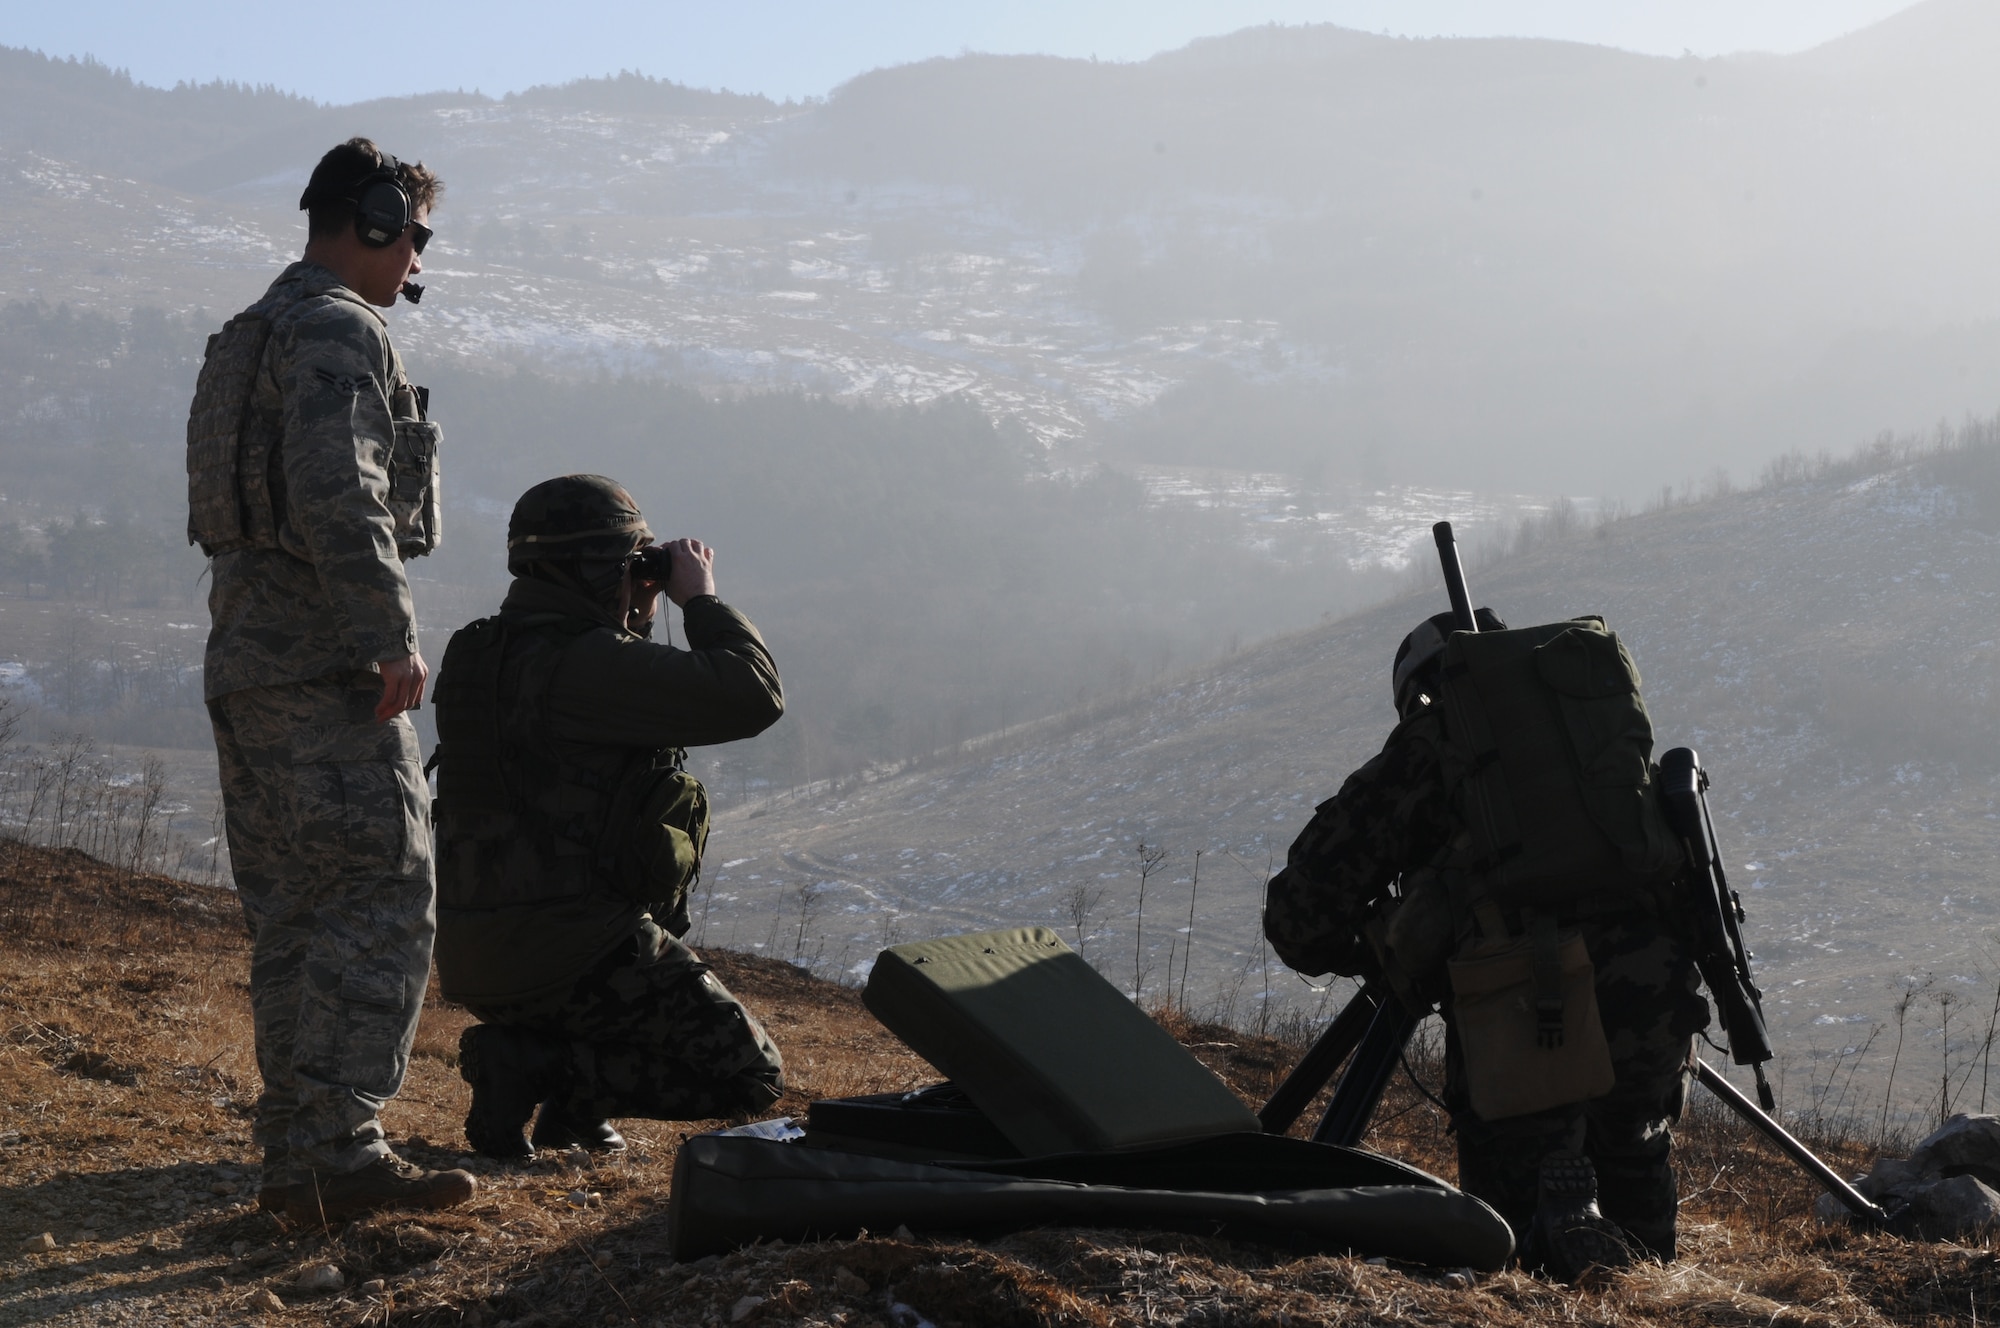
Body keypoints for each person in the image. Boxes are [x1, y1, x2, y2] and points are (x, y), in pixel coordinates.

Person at [189, 138, 473, 1223]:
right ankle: (337, 1152)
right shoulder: (334, 330)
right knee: (384, 894)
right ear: (373, 219)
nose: (418, 260)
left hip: (250, 668)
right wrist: (389, 636)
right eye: (415, 234)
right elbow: (337, 488)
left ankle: (300, 1159)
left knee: (297, 913)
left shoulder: (251, 332)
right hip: (325, 670)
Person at [1263, 609, 1711, 1280]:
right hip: (1652, 997)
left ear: (1421, 690)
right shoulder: (1594, 735)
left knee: (1517, 1249)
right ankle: (1644, 1287)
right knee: (1635, 1171)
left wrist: (1390, 952)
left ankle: (1551, 1254)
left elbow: (1302, 912)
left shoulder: (1433, 742)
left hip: (1522, 1011)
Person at [431, 474, 787, 1158]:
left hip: (477, 951)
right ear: (603, 572)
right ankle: (536, 1069)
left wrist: (637, 603)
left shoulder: (481, 651)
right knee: (752, 1076)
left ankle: (571, 1116)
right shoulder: (586, 666)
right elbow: (752, 695)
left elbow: (584, 748)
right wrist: (699, 599)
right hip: (571, 953)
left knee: (627, 958)